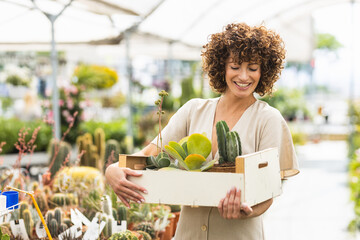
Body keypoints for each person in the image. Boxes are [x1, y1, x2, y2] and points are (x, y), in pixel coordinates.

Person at [105, 22, 299, 239]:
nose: (244, 76)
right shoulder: (193, 110)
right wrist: (113, 168)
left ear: (263, 71)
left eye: (252, 68)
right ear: (221, 66)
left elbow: (268, 194)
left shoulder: (268, 119)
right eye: (235, 67)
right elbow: (150, 154)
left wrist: (246, 211)